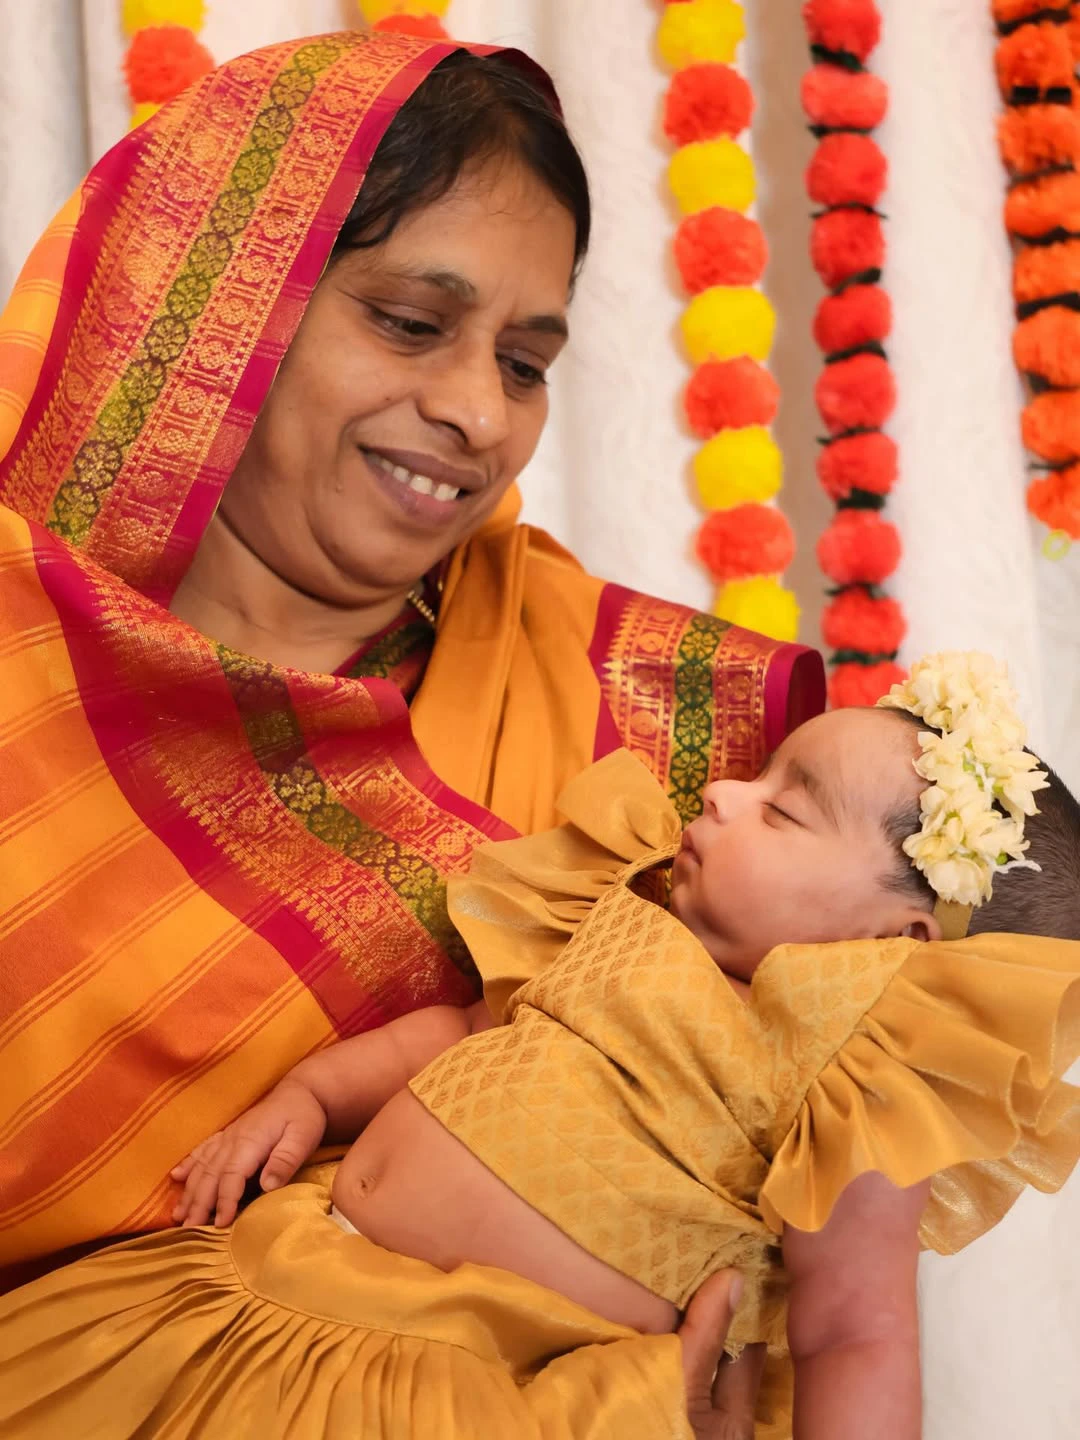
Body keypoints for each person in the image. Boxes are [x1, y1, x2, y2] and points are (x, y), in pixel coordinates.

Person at [0, 29, 823, 1308]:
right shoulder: (17, 657)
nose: (481, 416)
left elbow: (763, 1228)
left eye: (523, 363)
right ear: (226, 303)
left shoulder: (661, 726)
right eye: (410, 323)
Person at [2, 654, 1078, 1440]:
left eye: (785, 812)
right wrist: (309, 1095)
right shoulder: (614, 909)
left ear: (896, 945)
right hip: (284, 1284)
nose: (721, 789)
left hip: (494, 1401)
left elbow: (857, 1332)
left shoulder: (853, 1085)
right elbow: (464, 1032)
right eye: (759, 776)